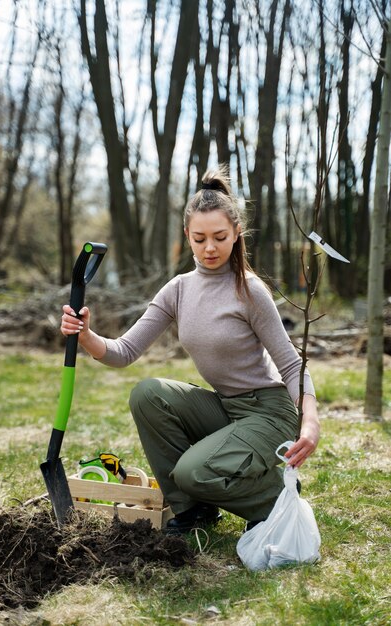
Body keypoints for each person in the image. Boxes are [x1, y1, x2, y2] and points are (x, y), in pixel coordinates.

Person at [61, 165, 320, 534]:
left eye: (219, 237)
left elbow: (292, 366)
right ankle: (194, 510)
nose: (209, 247)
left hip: (269, 413)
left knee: (192, 471)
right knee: (147, 394)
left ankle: (275, 497)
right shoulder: (179, 288)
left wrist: (309, 420)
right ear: (187, 235)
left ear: (235, 234)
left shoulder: (249, 290)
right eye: (199, 239)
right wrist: (85, 334)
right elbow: (123, 352)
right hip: (227, 407)